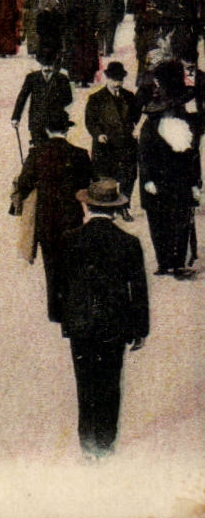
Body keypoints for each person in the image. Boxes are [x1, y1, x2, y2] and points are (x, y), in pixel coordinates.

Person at [53, 178, 148, 459]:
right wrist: (140, 329)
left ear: (87, 206)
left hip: (81, 325)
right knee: (109, 384)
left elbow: (59, 285)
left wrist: (65, 320)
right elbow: (138, 291)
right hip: (114, 325)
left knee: (85, 385)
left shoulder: (70, 239)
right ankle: (106, 444)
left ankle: (88, 446)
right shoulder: (129, 243)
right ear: (115, 210)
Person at [10, 109, 94, 323]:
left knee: (51, 264)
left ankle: (55, 311)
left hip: (45, 218)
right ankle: (73, 305)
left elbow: (24, 183)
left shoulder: (36, 153)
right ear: (67, 130)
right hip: (72, 216)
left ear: (47, 130)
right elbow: (87, 184)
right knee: (72, 261)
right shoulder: (80, 154)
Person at [136, 61, 201, 277]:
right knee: (159, 222)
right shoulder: (150, 127)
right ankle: (164, 261)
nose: (171, 111)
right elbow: (143, 156)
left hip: (181, 181)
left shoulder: (187, 125)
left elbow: (193, 157)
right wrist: (147, 180)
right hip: (157, 182)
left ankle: (179, 262)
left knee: (182, 221)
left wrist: (195, 183)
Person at [83, 61, 140, 208]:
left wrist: (135, 128)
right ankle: (107, 207)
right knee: (106, 178)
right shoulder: (96, 98)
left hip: (126, 143)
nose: (117, 84)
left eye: (120, 80)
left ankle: (124, 207)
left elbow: (135, 116)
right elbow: (90, 121)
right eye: (114, 80)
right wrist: (98, 134)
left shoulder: (129, 96)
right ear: (107, 78)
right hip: (106, 145)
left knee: (128, 176)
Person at [11, 47, 73, 148]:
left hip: (57, 123)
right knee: (39, 152)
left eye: (50, 66)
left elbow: (69, 99)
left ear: (54, 65)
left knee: (56, 152)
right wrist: (15, 117)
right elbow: (22, 97)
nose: (47, 68)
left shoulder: (62, 79)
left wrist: (55, 104)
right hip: (37, 122)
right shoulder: (31, 78)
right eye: (44, 65)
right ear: (40, 65)